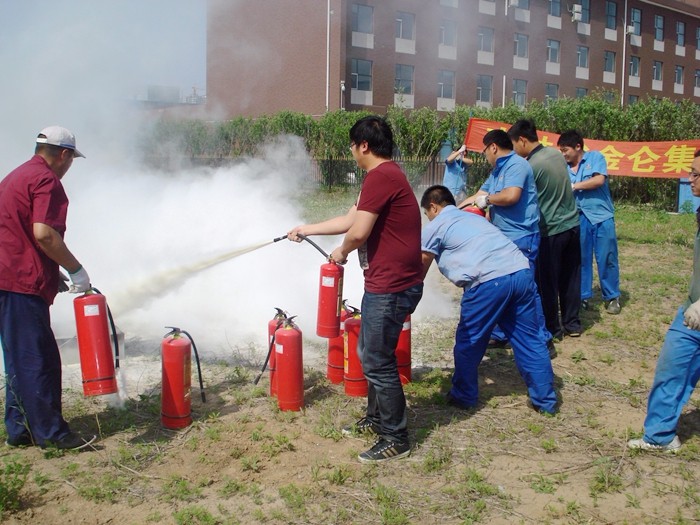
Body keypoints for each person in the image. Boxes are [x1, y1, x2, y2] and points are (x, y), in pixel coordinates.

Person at [288, 115, 423, 463]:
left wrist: (343, 251)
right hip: (388, 282)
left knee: (376, 359)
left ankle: (395, 437)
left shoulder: (381, 176)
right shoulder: (382, 177)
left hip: (391, 286)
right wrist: (306, 228)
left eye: (352, 145)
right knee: (371, 352)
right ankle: (377, 419)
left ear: (363, 145)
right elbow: (350, 220)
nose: (351, 151)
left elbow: (357, 233)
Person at [420, 185, 557, 414]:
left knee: (470, 340)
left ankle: (463, 396)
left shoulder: (437, 225)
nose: (428, 218)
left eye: (427, 213)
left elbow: (421, 263)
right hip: (521, 273)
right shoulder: (475, 218)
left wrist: (409, 293)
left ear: (433, 207)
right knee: (530, 339)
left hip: (488, 282)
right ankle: (545, 401)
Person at [0, 126, 95, 450]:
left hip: (7, 279)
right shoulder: (46, 181)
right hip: (21, 284)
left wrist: (50, 271)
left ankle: (20, 430)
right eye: (71, 160)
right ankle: (52, 435)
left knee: (17, 358)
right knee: (38, 359)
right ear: (64, 155)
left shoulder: (17, 176)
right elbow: (44, 234)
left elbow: (16, 231)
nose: (69, 167)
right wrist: (75, 269)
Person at [627, 151, 700, 453]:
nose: (690, 179)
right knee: (672, 367)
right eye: (690, 172)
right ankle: (660, 436)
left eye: (696, 174)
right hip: (692, 311)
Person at [460, 129, 551, 347]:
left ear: (493, 147)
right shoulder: (497, 171)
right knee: (500, 283)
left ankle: (542, 339)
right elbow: (478, 195)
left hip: (522, 237)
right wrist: (452, 213)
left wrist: (488, 200)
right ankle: (501, 334)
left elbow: (511, 196)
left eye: (484, 151)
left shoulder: (517, 165)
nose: (485, 156)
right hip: (504, 238)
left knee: (526, 290)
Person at [508, 119, 582, 339]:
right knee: (570, 277)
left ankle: (552, 328)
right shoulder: (555, 154)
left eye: (513, 145)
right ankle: (572, 323)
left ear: (522, 140)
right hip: (572, 225)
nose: (513, 150)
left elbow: (518, 197)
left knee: (547, 282)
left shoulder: (531, 166)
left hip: (551, 230)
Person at [557, 130, 621, 315]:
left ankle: (612, 296)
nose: (563, 154)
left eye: (565, 150)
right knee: (580, 258)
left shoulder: (595, 157)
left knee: (607, 257)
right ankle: (582, 296)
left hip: (601, 216)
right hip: (578, 217)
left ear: (578, 147)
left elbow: (599, 180)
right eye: (561, 151)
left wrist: (574, 186)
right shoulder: (564, 167)